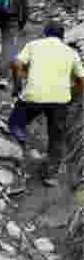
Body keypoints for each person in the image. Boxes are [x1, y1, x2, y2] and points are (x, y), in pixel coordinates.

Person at [9, 23, 84, 186]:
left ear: (45, 33)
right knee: (57, 138)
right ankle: (51, 175)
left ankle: (18, 156)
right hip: (59, 100)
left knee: (16, 123)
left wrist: (17, 85)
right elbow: (82, 79)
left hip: (32, 97)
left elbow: (16, 64)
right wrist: (72, 95)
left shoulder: (33, 45)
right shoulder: (71, 52)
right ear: (62, 36)